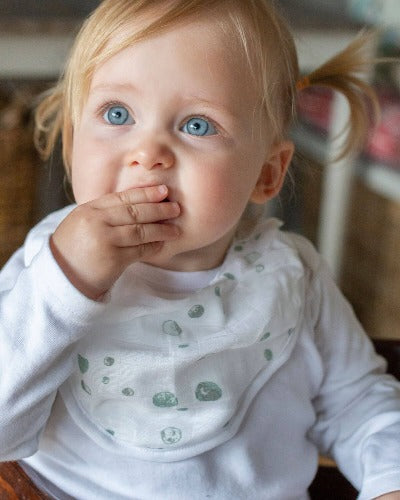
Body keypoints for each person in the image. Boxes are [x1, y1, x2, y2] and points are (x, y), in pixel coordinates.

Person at [0, 0, 399, 498]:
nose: (148, 154)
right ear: (76, 136)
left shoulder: (293, 277)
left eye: (197, 125)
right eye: (117, 113)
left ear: (266, 173)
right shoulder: (51, 265)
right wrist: (66, 285)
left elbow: (359, 405)